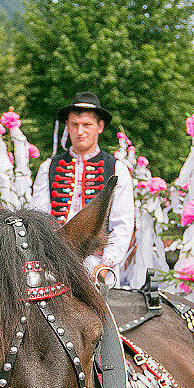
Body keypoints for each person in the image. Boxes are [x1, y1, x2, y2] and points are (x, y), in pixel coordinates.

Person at [31, 92, 134, 278]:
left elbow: (122, 224)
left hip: (98, 264)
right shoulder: (48, 167)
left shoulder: (117, 169)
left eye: (87, 125)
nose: (80, 132)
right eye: (74, 125)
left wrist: (106, 264)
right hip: (54, 262)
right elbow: (38, 217)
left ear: (99, 127)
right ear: (67, 126)